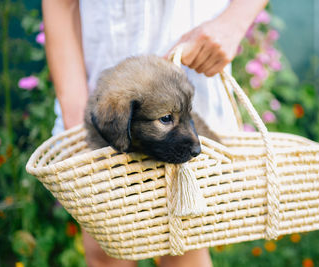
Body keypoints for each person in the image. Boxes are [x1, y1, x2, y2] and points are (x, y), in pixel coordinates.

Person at [42, 0, 268, 266]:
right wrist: (78, 122)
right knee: (107, 252)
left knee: (183, 249)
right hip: (99, 83)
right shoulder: (112, 111)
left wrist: (232, 22)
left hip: (193, 60)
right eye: (166, 120)